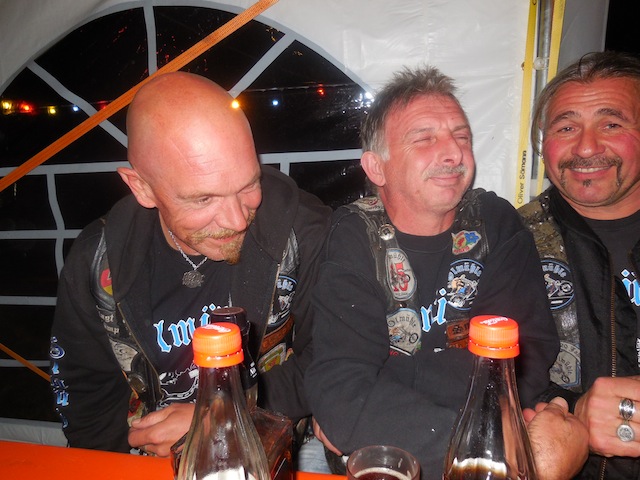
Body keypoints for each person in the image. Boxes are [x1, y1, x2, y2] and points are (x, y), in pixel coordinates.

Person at [49, 72, 331, 460]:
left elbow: (335, 360)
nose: (237, 220)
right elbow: (87, 399)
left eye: (248, 185)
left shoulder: (305, 232)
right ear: (142, 188)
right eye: (203, 199)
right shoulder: (97, 261)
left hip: (273, 447)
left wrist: (221, 418)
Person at [304, 65, 565, 479]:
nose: (454, 154)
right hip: (388, 466)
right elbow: (340, 389)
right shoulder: (355, 234)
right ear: (376, 167)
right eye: (425, 139)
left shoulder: (494, 223)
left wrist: (385, 392)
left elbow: (521, 365)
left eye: (462, 137)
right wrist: (482, 436)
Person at [519, 50, 640, 478]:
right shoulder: (504, 244)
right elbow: (480, 383)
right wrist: (573, 410)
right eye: (566, 127)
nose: (586, 147)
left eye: (612, 124)